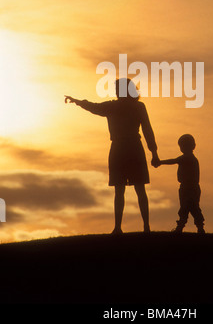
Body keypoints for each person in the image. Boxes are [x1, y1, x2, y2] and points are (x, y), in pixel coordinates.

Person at [65, 78, 159, 234]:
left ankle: (126, 227)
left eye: (117, 89)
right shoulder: (134, 107)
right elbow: (148, 130)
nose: (115, 92)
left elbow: (93, 107)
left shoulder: (115, 107)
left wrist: (154, 152)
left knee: (125, 189)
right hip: (130, 147)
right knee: (133, 188)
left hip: (122, 148)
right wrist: (154, 153)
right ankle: (140, 227)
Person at [155, 134, 205, 234]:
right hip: (187, 187)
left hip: (189, 187)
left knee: (190, 207)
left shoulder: (188, 158)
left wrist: (160, 162)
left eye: (183, 146)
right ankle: (189, 226)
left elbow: (173, 161)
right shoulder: (190, 158)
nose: (182, 148)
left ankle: (191, 226)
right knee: (187, 207)